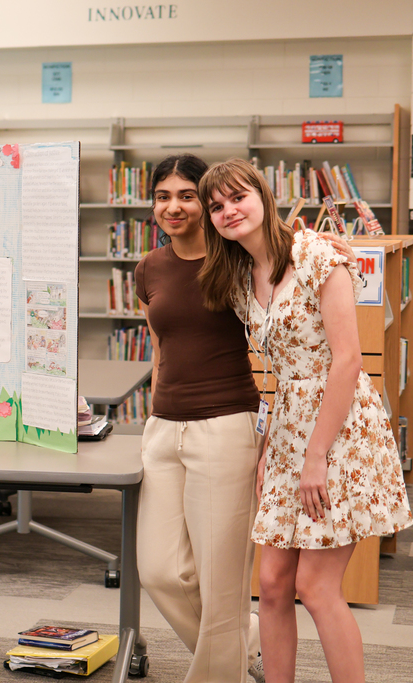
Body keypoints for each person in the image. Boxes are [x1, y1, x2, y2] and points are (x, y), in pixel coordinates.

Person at [197, 158, 413, 683]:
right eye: (217, 206)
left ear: (263, 197)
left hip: (340, 431)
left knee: (316, 588)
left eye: (238, 197)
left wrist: (315, 455)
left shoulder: (315, 254)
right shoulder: (240, 279)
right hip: (290, 428)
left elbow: (348, 360)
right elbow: (284, 374)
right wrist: (273, 445)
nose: (229, 211)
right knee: (270, 583)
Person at [134, 154, 265, 683]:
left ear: (207, 202)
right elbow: (161, 346)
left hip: (226, 424)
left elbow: (289, 250)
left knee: (221, 581)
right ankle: (248, 643)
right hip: (164, 427)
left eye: (187, 195)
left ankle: (221, 669)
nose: (174, 206)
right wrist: (151, 416)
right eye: (163, 196)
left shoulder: (238, 257)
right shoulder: (148, 267)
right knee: (160, 570)